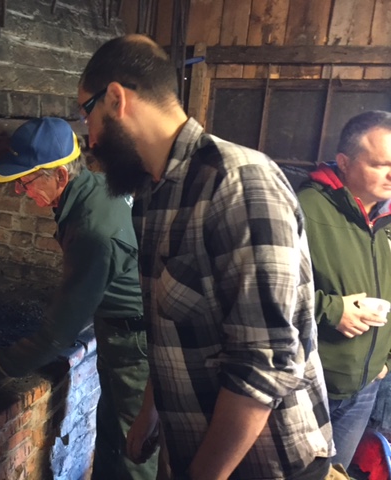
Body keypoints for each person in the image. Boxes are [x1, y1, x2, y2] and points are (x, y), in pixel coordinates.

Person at [78, 34, 335, 479]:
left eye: (88, 114)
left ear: (116, 99)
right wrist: (150, 413)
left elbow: (265, 363)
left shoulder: (238, 183)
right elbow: (170, 328)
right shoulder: (152, 194)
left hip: (265, 465)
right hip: (195, 452)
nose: (91, 137)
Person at [0, 117, 159, 480]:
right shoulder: (96, 187)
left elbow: (57, 337)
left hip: (134, 346)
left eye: (26, 181)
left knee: (133, 449)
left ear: (61, 175)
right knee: (112, 432)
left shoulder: (92, 230)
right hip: (121, 331)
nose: (21, 191)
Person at [297, 110, 391, 469]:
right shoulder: (304, 208)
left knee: (335, 473)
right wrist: (332, 310)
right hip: (308, 385)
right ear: (344, 162)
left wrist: (385, 361)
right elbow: (264, 290)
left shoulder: (386, 218)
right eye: (380, 164)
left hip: (365, 386)